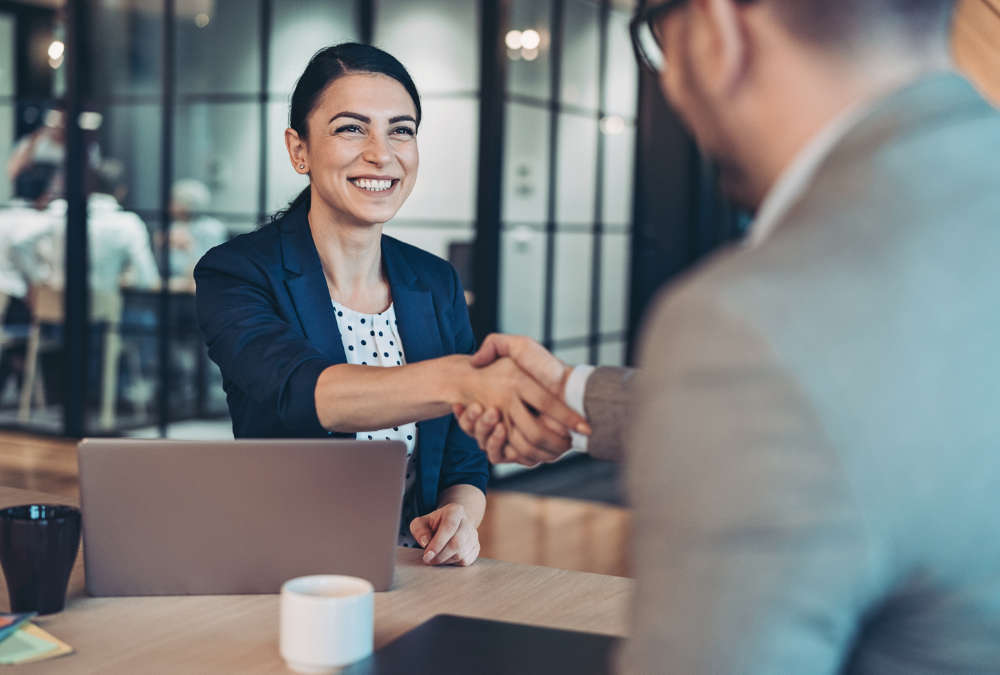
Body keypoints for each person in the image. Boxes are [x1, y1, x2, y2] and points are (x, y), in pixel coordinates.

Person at [457, 0, 1000, 671]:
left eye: (658, 39)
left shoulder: (748, 323)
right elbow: (893, 403)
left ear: (718, 31)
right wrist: (570, 394)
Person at [194, 44, 589, 568]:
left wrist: (459, 516)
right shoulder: (236, 271)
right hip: (287, 569)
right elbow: (302, 390)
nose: (382, 153)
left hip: (414, 573)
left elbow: (463, 458)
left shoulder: (435, 281)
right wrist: (463, 379)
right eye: (351, 128)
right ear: (299, 150)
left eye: (401, 129)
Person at [166, 179, 227, 289]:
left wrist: (188, 248)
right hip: (175, 287)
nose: (170, 206)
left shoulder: (212, 228)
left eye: (174, 202)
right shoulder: (175, 227)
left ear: (188, 205)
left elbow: (210, 270)